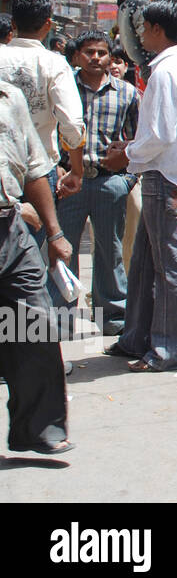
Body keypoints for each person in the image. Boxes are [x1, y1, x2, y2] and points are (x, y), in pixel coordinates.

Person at [102, 0, 177, 373]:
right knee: (146, 263)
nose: (141, 35)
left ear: (158, 30)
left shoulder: (165, 72)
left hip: (161, 176)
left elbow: (160, 135)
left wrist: (126, 154)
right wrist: (131, 152)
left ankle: (171, 349)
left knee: (166, 267)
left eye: (145, 28)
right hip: (165, 173)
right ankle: (137, 337)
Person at [0, 80, 74, 454]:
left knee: (36, 325)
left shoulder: (10, 97)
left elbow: (33, 170)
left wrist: (54, 231)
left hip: (11, 228)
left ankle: (38, 428)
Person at [54, 31, 138, 338]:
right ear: (77, 56)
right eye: (89, 52)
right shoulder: (63, 90)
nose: (95, 58)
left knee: (109, 252)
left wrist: (126, 180)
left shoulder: (127, 93)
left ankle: (113, 316)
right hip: (69, 184)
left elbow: (136, 141)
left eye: (101, 53)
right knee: (63, 251)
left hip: (108, 183)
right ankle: (60, 321)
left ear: (110, 58)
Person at [0, 0, 86, 262]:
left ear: (12, 23)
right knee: (32, 261)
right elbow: (72, 125)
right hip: (38, 175)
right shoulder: (54, 64)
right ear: (48, 25)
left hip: (4, 172)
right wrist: (76, 169)